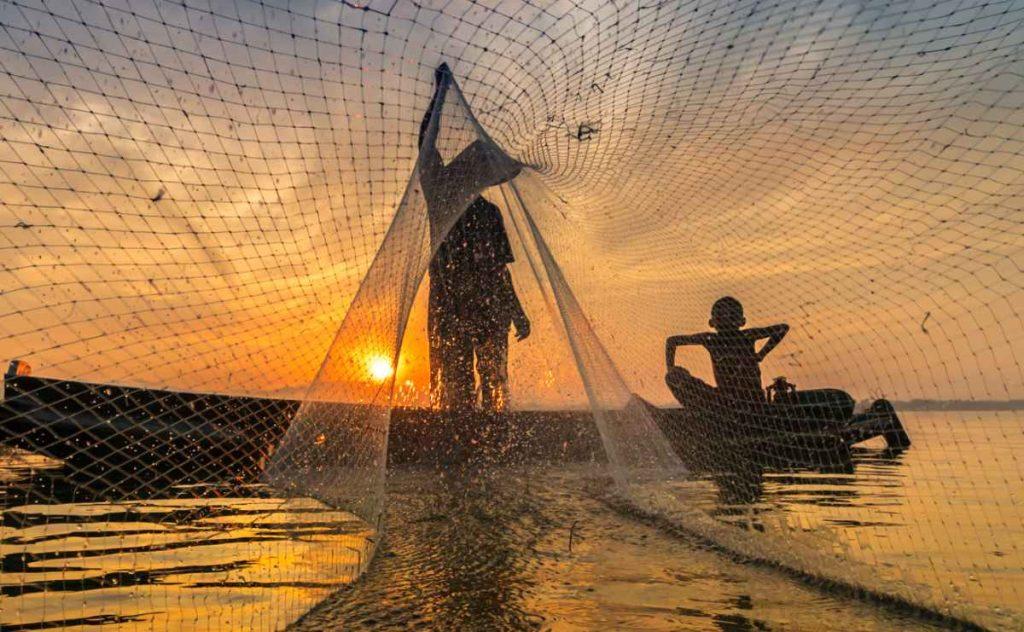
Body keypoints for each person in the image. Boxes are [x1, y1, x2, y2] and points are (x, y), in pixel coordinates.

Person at [418, 63, 530, 412]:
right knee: (457, 380)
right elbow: (425, 143)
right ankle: (469, 446)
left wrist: (517, 311)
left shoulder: (486, 211)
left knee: (492, 380)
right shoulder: (441, 191)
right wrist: (439, 96)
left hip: (480, 307)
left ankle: (488, 444)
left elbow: (500, 270)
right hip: (453, 305)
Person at [664, 296, 788, 414]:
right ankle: (706, 414)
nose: (726, 320)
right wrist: (761, 355)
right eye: (721, 317)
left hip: (752, 402)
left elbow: (782, 328)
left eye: (731, 317)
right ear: (712, 322)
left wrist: (761, 354)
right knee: (674, 376)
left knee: (673, 375)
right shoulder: (712, 339)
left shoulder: (745, 336)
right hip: (725, 401)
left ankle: (709, 415)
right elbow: (672, 341)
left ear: (742, 321)